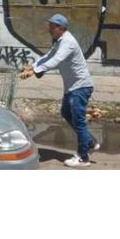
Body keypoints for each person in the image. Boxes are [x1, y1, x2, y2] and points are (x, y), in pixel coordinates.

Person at [19, 13, 99, 167]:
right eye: (50, 25)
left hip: (81, 86)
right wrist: (32, 66)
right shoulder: (60, 41)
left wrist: (35, 71)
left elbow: (56, 60)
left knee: (79, 122)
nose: (49, 29)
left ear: (61, 28)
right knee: (66, 113)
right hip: (72, 87)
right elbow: (49, 56)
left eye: (52, 26)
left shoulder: (68, 42)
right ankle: (88, 142)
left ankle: (83, 158)